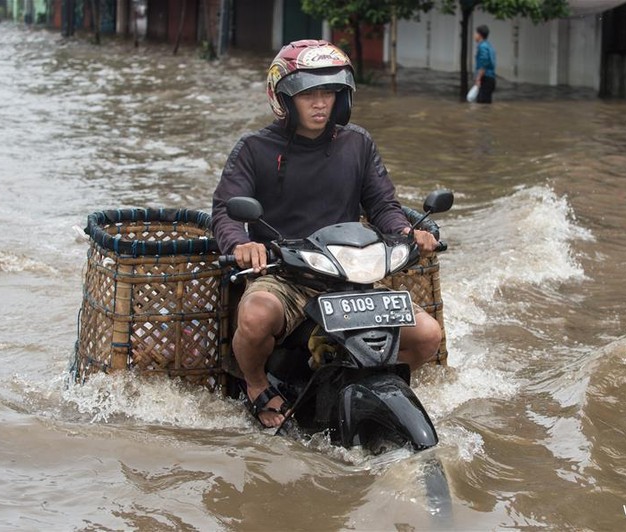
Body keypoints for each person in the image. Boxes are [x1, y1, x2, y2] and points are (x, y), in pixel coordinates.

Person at [211, 39, 443, 429]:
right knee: (254, 317)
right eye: (309, 95)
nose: (321, 104)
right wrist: (241, 244)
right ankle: (255, 385)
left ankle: (374, 383)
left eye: (330, 93)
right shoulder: (254, 149)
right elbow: (226, 209)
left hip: (350, 275)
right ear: (284, 98)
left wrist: (407, 232)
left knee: (427, 335)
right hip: (285, 273)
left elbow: (384, 206)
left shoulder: (358, 144)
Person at [473, 25, 497, 104]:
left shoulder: (482, 47)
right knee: (486, 106)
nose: (474, 35)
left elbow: (484, 63)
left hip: (485, 79)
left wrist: (478, 78)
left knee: (481, 105)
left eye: (476, 33)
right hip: (490, 78)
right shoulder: (489, 46)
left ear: (479, 35)